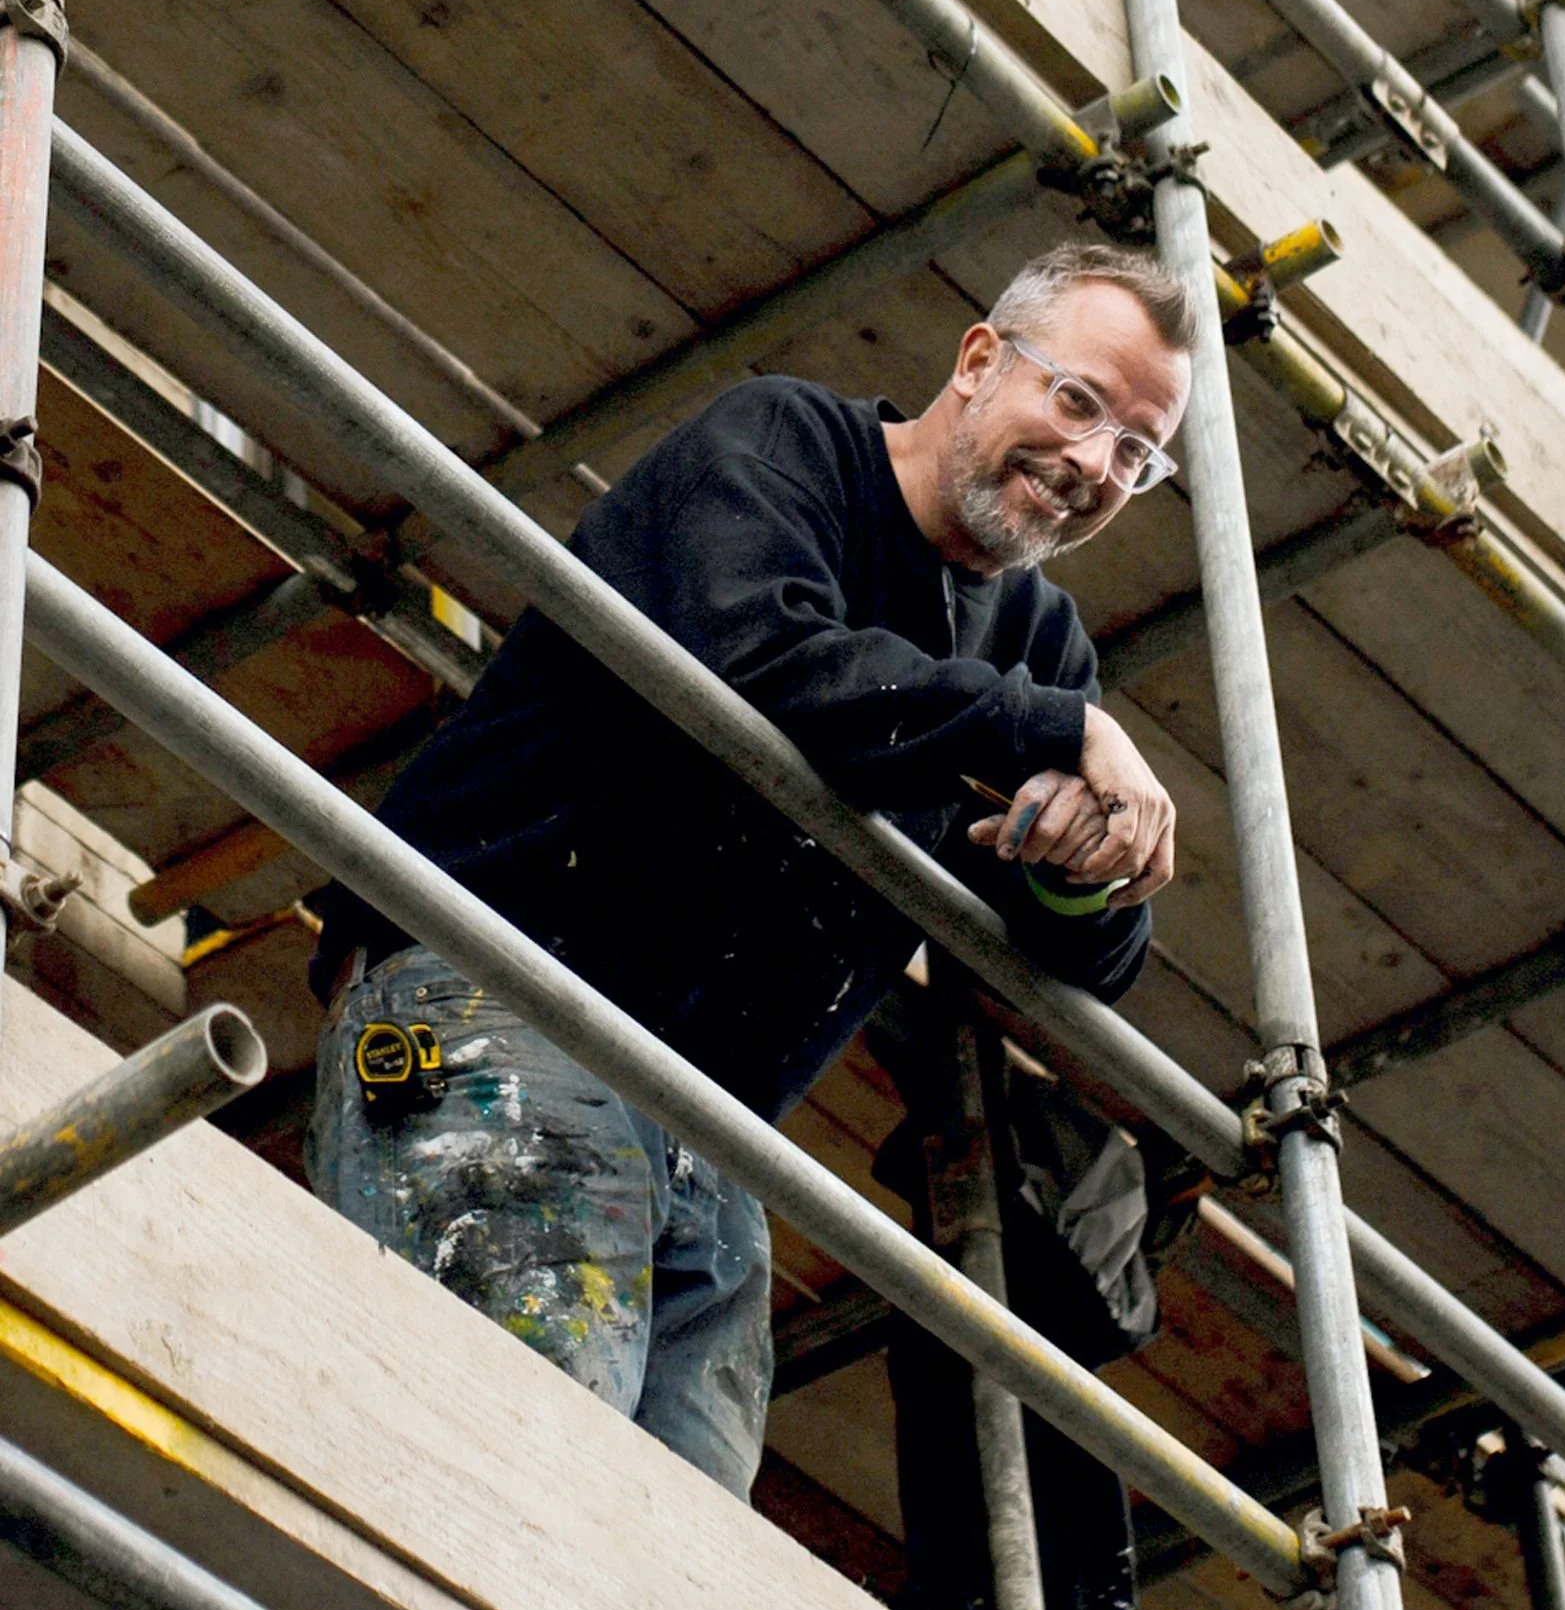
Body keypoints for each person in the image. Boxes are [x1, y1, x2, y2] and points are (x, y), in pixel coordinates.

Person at [306, 240, 1194, 1504]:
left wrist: (1082, 863)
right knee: (501, 1489)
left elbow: (1075, 958)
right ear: (979, 359)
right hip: (502, 1001)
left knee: (667, 1579)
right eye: (1078, 401)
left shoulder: (1035, 645)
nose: (1097, 464)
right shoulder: (784, 448)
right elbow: (761, 661)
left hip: (708, 1137)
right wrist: (1049, 732)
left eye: (1138, 455)